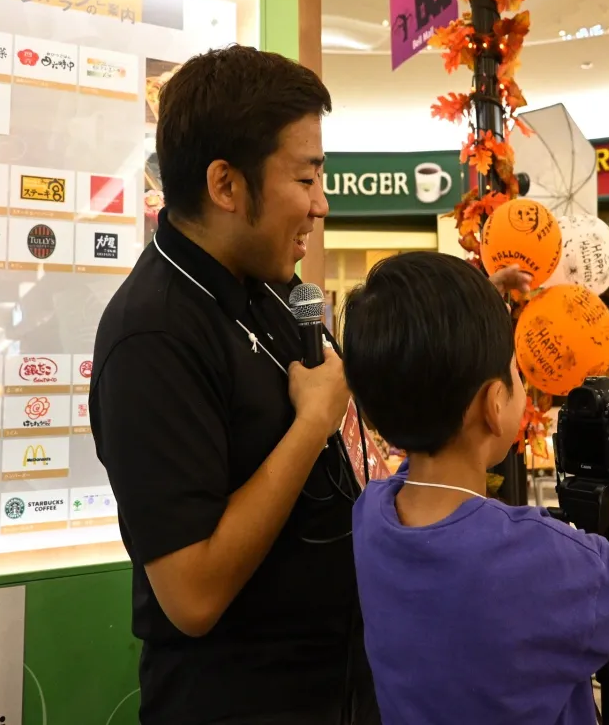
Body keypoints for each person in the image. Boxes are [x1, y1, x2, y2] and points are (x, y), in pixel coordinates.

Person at [89, 45, 528, 724]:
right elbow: (192, 595)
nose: (321, 205)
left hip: (345, 682)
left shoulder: (271, 287)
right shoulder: (151, 338)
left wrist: (461, 325)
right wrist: (309, 426)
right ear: (226, 185)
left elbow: (352, 393)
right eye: (306, 177)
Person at [342, 252, 609, 725]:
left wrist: (470, 312)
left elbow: (415, 388)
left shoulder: (372, 514)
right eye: (515, 371)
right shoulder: (536, 556)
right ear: (494, 404)